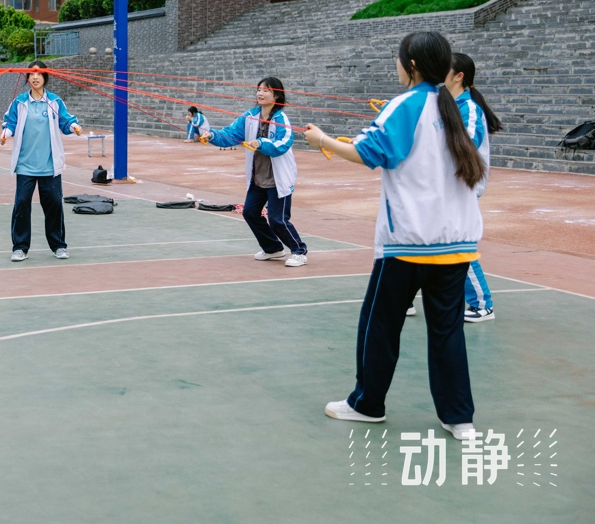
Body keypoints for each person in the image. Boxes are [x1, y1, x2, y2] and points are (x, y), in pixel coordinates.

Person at [306, 31, 485, 441]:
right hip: (455, 244)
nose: (396, 63)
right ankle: (459, 418)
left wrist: (321, 141)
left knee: (380, 325)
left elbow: (370, 153)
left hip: (407, 241)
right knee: (447, 332)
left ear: (413, 65)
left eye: (398, 58)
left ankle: (367, 403)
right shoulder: (460, 110)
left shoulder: (405, 105)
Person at [201, 77, 308, 267]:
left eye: (266, 90)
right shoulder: (250, 116)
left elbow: (283, 144)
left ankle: (299, 250)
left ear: (276, 95)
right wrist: (213, 136)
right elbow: (230, 134)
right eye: (259, 89)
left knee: (277, 220)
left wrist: (261, 143)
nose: (260, 93)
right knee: (250, 213)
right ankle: (273, 248)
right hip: (258, 178)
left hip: (278, 179)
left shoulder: (282, 119)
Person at [0, 62, 81, 261]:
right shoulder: (19, 102)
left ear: (45, 77)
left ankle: (59, 245)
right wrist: (5, 134)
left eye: (39, 74)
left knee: (54, 204)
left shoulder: (54, 101)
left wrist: (74, 127)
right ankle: (20, 247)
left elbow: (66, 121)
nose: (35, 77)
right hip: (25, 165)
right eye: (31, 74)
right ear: (27, 78)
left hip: (49, 164)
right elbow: (10, 123)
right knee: (21, 204)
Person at [448, 52, 502, 323]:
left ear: (459, 76)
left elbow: (465, 143)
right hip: (449, 183)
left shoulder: (468, 109)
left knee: (458, 245)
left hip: (465, 183)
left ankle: (482, 304)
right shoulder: (448, 105)